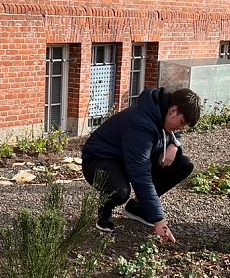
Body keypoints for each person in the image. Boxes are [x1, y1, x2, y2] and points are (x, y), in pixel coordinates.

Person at [81, 87, 201, 243]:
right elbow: (141, 176)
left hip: (126, 158)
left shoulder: (161, 111)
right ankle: (105, 210)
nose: (180, 128)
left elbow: (174, 133)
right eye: (182, 123)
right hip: (100, 160)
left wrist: (174, 145)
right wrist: (159, 221)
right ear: (173, 111)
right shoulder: (140, 126)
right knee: (120, 191)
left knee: (183, 164)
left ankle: (137, 208)